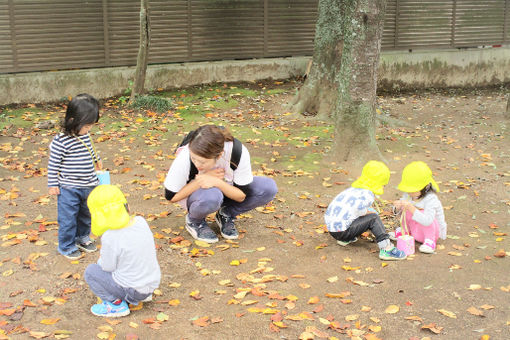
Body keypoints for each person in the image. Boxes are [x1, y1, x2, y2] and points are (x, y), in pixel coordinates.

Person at [164, 125, 278, 243]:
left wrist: (217, 182)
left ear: (219, 155)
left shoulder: (237, 152)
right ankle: (195, 221)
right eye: (194, 159)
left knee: (267, 188)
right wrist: (200, 181)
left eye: (202, 162)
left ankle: (226, 214)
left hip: (227, 190)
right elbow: (171, 197)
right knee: (212, 196)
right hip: (199, 197)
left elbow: (241, 196)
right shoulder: (184, 158)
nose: (197, 163)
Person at [84, 185, 161, 317]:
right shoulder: (141, 222)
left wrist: (101, 260)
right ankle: (142, 296)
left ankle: (116, 304)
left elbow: (107, 267)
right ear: (127, 207)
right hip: (151, 284)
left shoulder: (110, 236)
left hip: (133, 289)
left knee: (91, 272)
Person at [47, 94, 102, 260]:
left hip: (89, 184)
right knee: (68, 218)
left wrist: (97, 160)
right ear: (72, 120)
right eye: (86, 126)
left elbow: (90, 149)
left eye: (90, 126)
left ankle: (82, 238)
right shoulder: (60, 141)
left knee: (86, 214)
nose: (88, 130)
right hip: (69, 188)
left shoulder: (85, 135)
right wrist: (52, 184)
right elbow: (53, 164)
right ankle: (66, 245)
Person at [324, 161, 407, 260]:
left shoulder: (353, 190)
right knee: (374, 218)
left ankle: (346, 239)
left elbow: (351, 209)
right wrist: (368, 213)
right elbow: (359, 211)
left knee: (367, 215)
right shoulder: (368, 195)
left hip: (333, 229)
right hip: (342, 232)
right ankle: (386, 248)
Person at [392, 161, 447, 254]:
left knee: (415, 210)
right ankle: (405, 232)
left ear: (426, 187)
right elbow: (401, 213)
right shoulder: (408, 195)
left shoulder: (431, 199)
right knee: (405, 209)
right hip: (415, 230)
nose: (410, 193)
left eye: (413, 190)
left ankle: (430, 242)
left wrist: (412, 208)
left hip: (431, 232)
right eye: (408, 189)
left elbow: (428, 221)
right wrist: (397, 207)